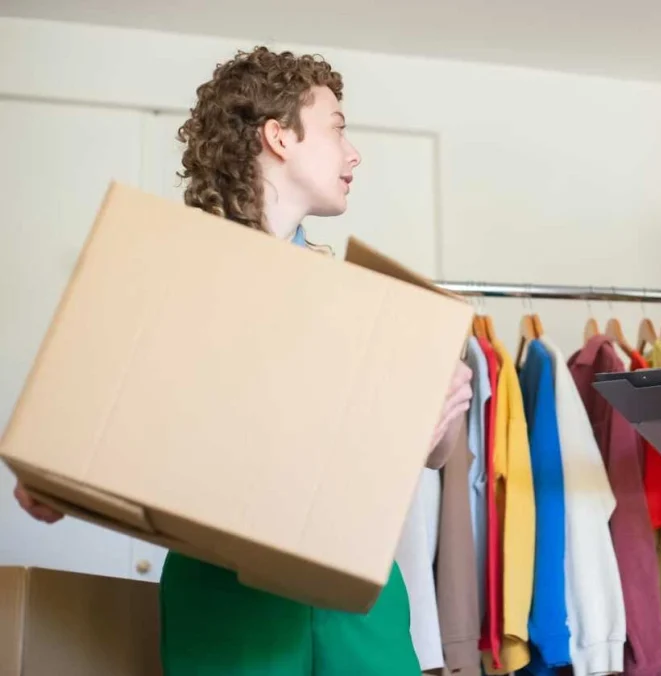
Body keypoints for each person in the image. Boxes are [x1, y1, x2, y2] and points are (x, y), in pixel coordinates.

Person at [13, 45, 473, 675]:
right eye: (337, 128)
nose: (354, 153)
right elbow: (97, 424)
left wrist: (442, 406)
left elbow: (435, 455)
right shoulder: (169, 280)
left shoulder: (364, 303)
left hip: (354, 594)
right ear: (279, 137)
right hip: (223, 592)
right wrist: (51, 475)